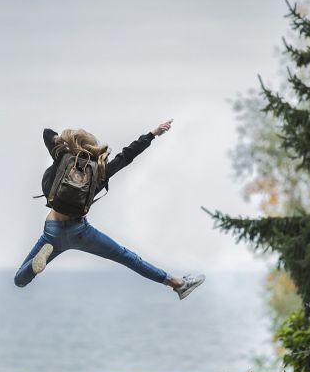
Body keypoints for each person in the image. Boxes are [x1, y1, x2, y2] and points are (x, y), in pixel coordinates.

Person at [14, 119, 205, 300]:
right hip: (80, 232)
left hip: (52, 231)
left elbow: (47, 133)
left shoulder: (63, 158)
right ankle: (178, 284)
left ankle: (34, 266)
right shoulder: (98, 171)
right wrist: (152, 134)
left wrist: (67, 146)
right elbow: (127, 156)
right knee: (127, 257)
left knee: (19, 280)